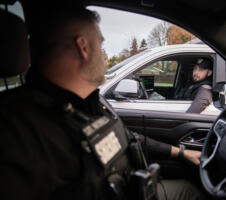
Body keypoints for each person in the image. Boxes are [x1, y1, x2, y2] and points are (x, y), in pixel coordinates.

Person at [0, 7, 205, 200]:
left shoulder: (92, 101)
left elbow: (128, 138)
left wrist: (181, 153)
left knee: (187, 187)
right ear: (83, 47)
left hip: (131, 186)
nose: (105, 56)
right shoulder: (14, 130)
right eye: (101, 44)